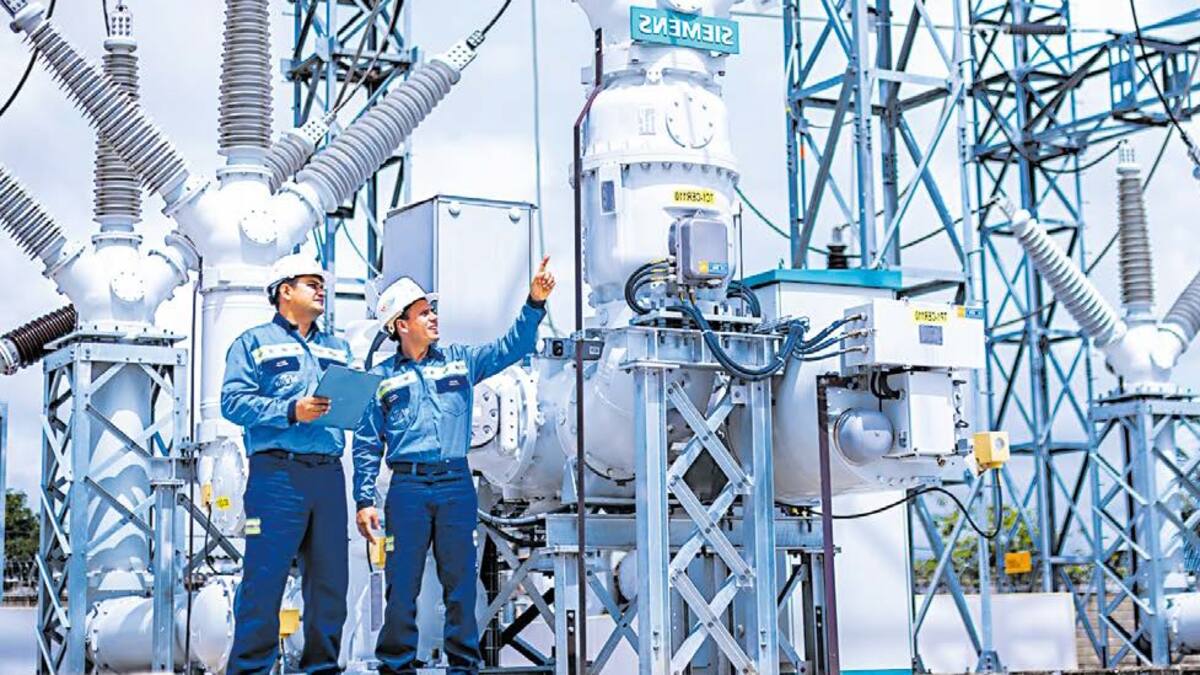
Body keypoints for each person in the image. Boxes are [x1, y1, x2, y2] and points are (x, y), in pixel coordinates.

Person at [352, 257, 556, 674]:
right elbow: (366, 444)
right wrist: (364, 499)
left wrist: (534, 303)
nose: (433, 317)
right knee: (401, 587)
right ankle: (396, 667)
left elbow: (512, 347)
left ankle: (463, 668)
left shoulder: (460, 361)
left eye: (432, 310)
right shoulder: (379, 380)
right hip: (407, 491)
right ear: (400, 325)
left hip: (455, 484)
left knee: (460, 585)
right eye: (423, 312)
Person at [222, 254, 353, 674]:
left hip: (328, 475)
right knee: (264, 582)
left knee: (330, 586)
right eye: (312, 283)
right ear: (285, 290)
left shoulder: (338, 347)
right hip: (277, 475)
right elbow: (232, 402)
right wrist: (290, 410)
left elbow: (352, 405)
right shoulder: (252, 343)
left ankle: (322, 668)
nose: (321, 290)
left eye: (322, 285)